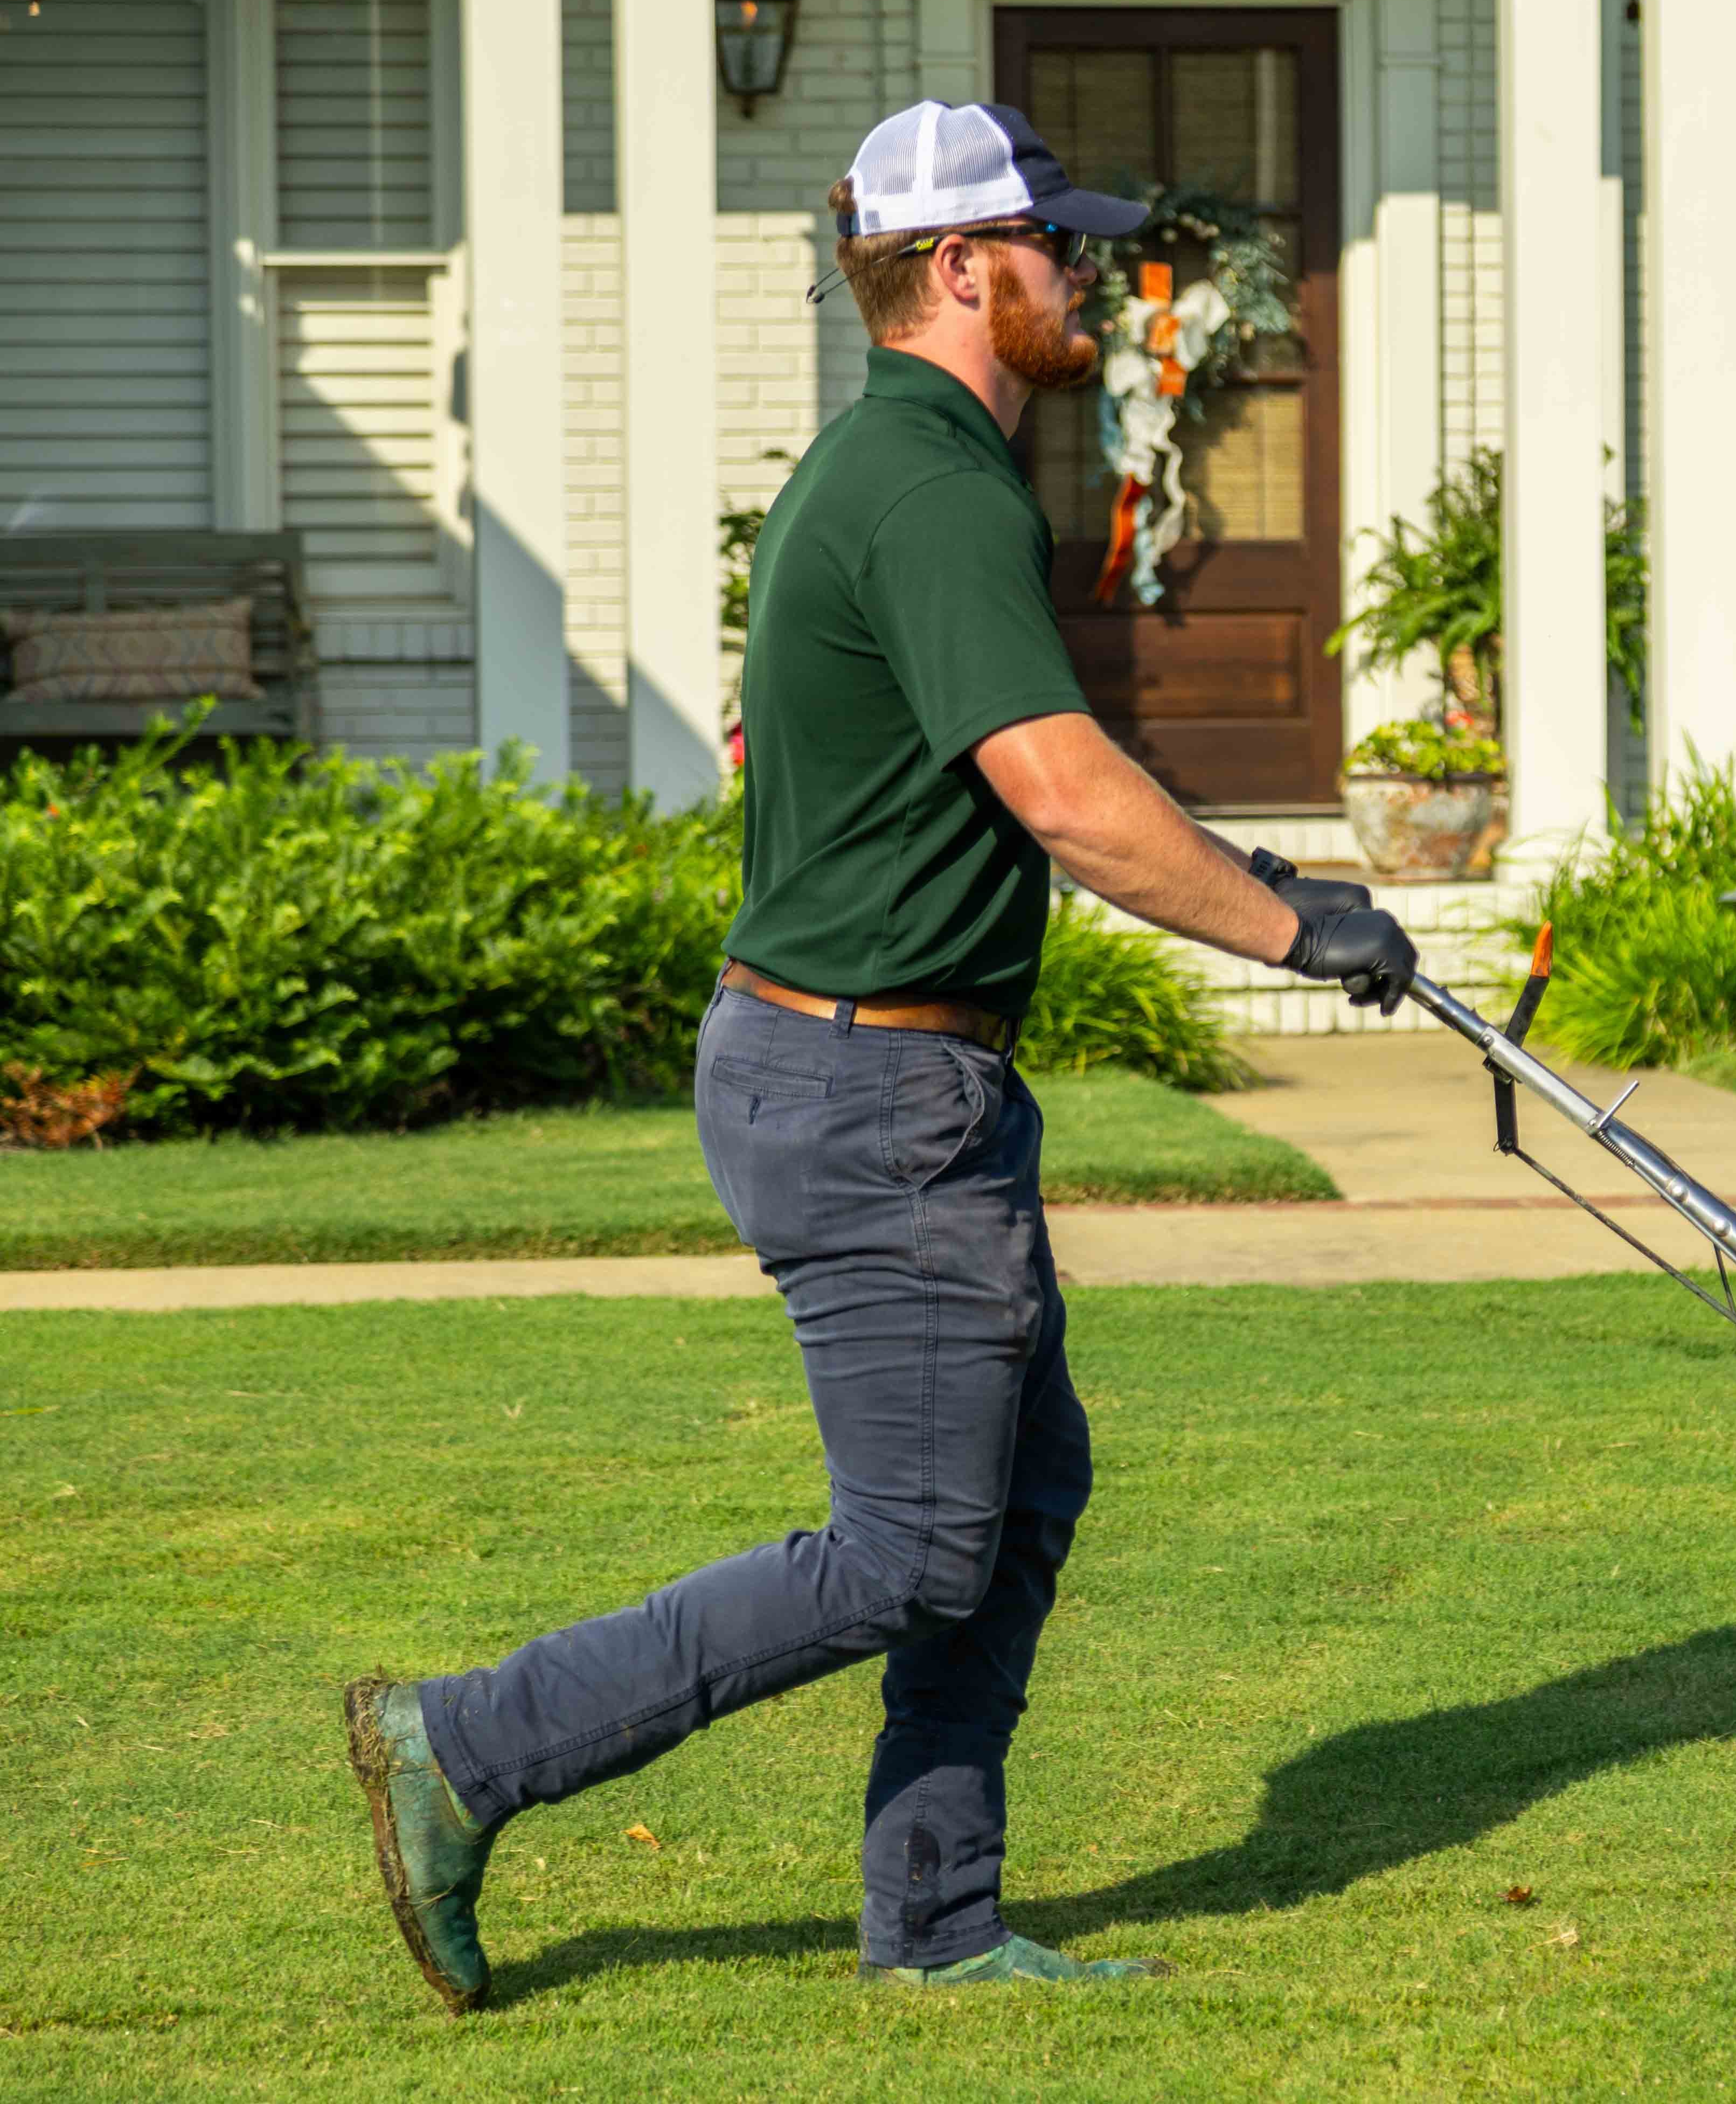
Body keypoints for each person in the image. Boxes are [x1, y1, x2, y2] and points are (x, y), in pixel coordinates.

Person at [340, 100, 1419, 2011]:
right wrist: (1285, 917)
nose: (1086, 272)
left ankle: (935, 1920)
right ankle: (466, 1745)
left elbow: (877, 762)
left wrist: (1260, 874)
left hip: (881, 1074)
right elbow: (1063, 791)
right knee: (914, 1548)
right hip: (871, 1093)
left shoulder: (894, 473)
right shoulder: (926, 483)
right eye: (1053, 246)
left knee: (1016, 1497)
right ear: (954, 271)